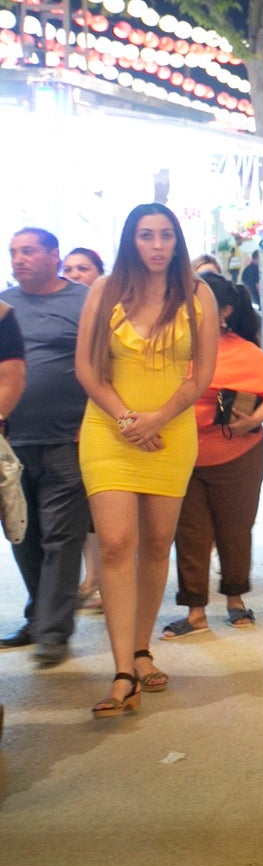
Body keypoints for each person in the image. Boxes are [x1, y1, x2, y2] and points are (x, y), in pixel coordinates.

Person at [75, 204, 219, 715]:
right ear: (130, 241)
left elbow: (201, 376)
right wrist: (127, 421)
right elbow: (88, 370)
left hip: (171, 432)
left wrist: (156, 419)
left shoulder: (198, 293)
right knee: (116, 543)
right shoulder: (104, 291)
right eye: (145, 236)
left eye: (165, 236)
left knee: (158, 544)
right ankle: (121, 673)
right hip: (108, 430)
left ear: (177, 242)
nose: (157, 245)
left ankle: (141, 649)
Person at [161, 273, 263, 638]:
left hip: (238, 455)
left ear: (225, 311)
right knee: (189, 535)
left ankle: (235, 600)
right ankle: (195, 611)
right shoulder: (172, 348)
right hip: (182, 456)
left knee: (235, 530)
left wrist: (252, 423)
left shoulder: (241, 349)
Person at [0, 230, 71, 663]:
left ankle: (54, 632)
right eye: (13, 252)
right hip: (12, 442)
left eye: (28, 251)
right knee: (23, 535)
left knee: (61, 537)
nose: (19, 259)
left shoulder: (81, 303)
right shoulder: (6, 305)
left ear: (53, 256)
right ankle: (39, 615)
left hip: (68, 436)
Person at [59, 245, 104, 612]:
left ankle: (103, 578)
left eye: (83, 268)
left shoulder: (110, 312)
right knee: (82, 513)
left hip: (103, 418)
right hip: (63, 424)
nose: (75, 274)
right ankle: (92, 577)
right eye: (69, 268)